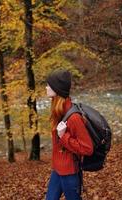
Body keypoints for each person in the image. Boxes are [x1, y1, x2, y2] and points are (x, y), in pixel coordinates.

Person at [45, 69, 93, 200]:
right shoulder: (58, 111)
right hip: (58, 169)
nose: (46, 87)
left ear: (57, 89)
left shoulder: (74, 117)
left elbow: (87, 148)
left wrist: (64, 136)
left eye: (49, 85)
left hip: (70, 173)